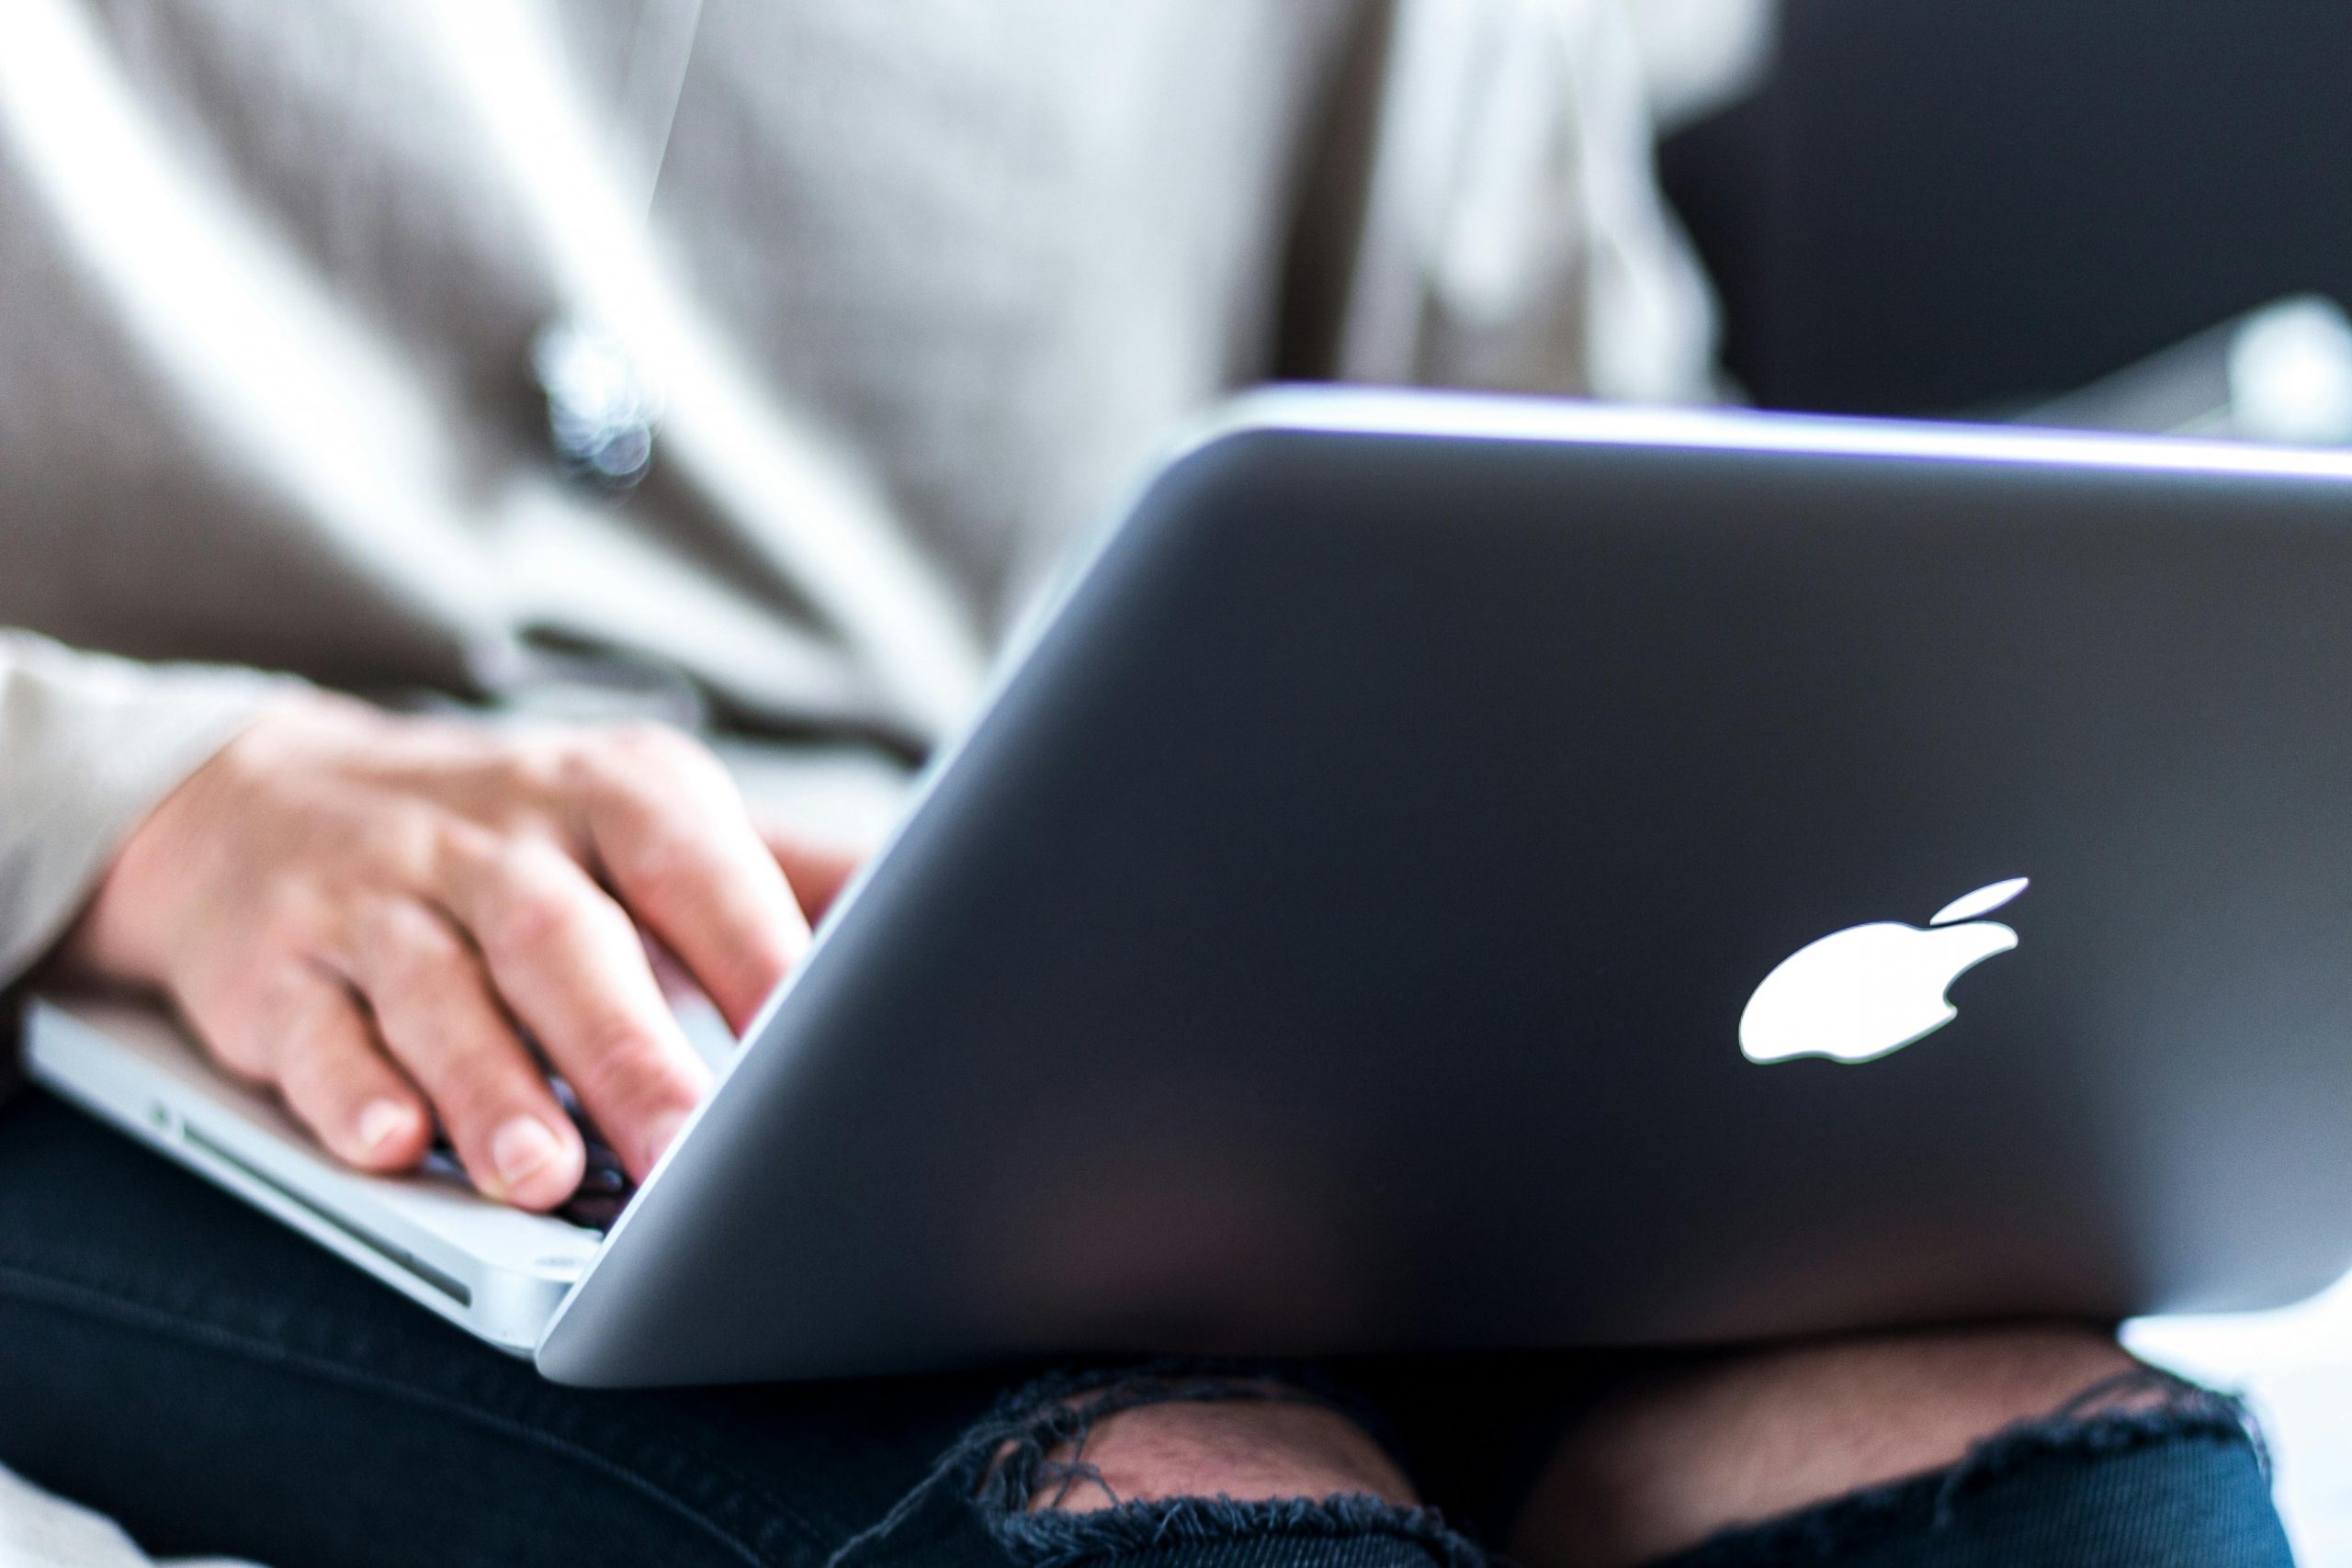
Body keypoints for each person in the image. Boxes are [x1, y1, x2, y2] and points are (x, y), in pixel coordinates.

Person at [0, 2, 2296, 1564]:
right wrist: (144, 794)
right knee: (1176, 1512)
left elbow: (1575, 496)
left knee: (2055, 1487)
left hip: (1071, 966)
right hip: (151, 962)